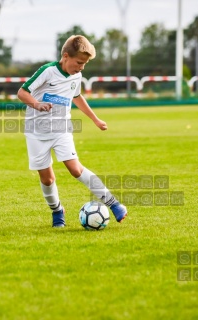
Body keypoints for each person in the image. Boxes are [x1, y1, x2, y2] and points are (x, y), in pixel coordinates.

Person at [16, 35, 127, 227]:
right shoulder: (48, 71)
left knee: (75, 169)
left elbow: (77, 97)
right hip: (36, 133)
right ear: (66, 56)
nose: (81, 67)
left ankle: (114, 204)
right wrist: (37, 104)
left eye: (84, 64)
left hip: (61, 129)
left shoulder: (76, 75)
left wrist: (95, 119)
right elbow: (22, 92)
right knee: (47, 178)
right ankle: (57, 211)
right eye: (79, 62)